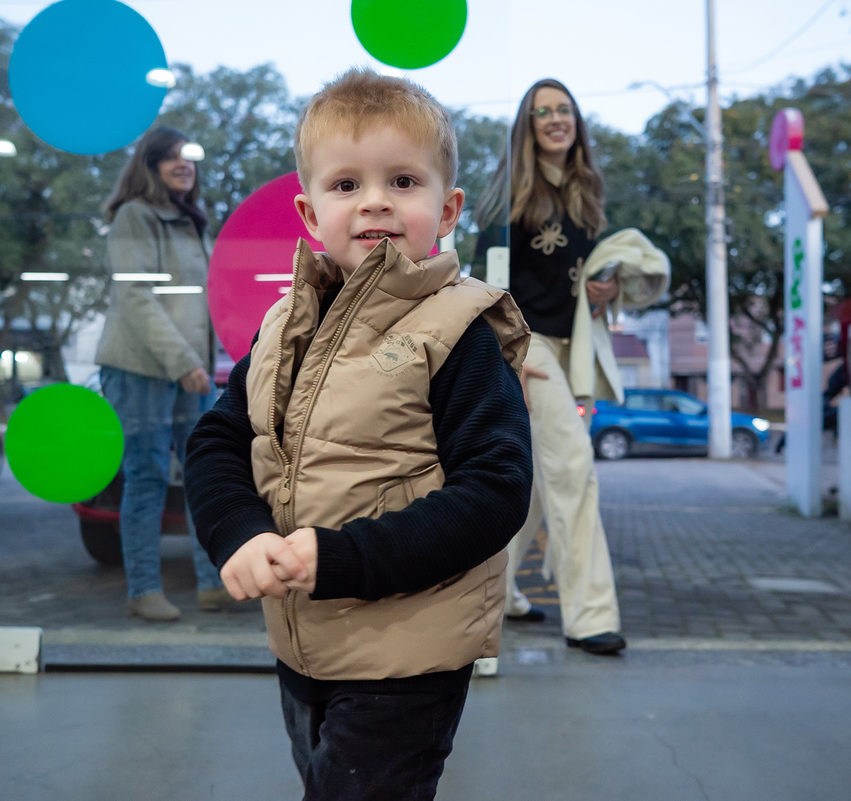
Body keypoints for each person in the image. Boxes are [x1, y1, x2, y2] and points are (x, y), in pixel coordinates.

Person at [184, 68, 533, 801]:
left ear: (448, 208)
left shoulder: (459, 331)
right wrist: (238, 533)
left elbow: (495, 491)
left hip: (407, 654)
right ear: (311, 214)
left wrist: (342, 556)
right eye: (347, 185)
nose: (375, 199)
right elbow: (218, 439)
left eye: (403, 180)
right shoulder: (285, 324)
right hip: (303, 639)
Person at [472, 79, 629, 655]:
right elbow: (486, 285)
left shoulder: (585, 192)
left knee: (536, 486)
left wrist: (605, 289)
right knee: (573, 470)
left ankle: (496, 593)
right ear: (528, 124)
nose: (556, 119)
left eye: (564, 110)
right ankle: (590, 617)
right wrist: (504, 359)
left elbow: (583, 278)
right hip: (525, 343)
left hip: (571, 346)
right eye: (544, 112)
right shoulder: (508, 194)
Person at [94, 126, 237, 621]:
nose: (184, 165)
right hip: (141, 369)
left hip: (187, 371)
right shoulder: (135, 216)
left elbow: (205, 301)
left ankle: (213, 583)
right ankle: (142, 589)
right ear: (150, 164)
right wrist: (185, 363)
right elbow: (136, 296)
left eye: (190, 158)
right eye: (172, 158)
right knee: (147, 477)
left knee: (202, 475)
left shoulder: (191, 221)